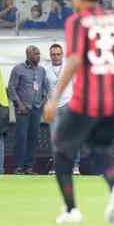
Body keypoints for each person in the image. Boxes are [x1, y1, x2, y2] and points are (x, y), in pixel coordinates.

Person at [43, 0, 114, 225]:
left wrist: (54, 98)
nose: (72, 2)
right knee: (99, 149)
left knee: (62, 149)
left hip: (86, 100)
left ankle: (71, 209)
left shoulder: (77, 21)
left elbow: (73, 61)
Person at [8, 45, 49, 175]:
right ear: (28, 55)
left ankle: (29, 167)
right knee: (21, 137)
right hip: (22, 110)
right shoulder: (18, 69)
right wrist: (19, 105)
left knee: (33, 138)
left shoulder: (41, 70)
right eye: (36, 54)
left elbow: (45, 88)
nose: (38, 56)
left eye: (39, 54)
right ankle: (18, 167)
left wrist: (42, 101)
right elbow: (11, 88)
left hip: (36, 109)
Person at [44, 44, 79, 175]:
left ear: (62, 54)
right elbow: (44, 88)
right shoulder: (46, 69)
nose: (56, 57)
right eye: (53, 54)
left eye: (58, 54)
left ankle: (75, 166)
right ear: (50, 55)